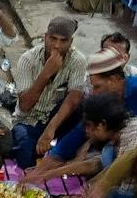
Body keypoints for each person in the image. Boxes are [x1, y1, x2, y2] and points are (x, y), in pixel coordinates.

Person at [46, 49, 137, 164]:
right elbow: (84, 128)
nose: (94, 92)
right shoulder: (109, 100)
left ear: (114, 80)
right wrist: (54, 156)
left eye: (97, 87)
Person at [9, 15, 87, 169]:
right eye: (53, 39)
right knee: (25, 155)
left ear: (71, 42)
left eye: (63, 41)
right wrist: (46, 74)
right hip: (28, 121)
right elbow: (24, 106)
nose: (56, 45)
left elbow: (74, 99)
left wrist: (50, 129)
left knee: (81, 106)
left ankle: (60, 153)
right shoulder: (28, 59)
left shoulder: (77, 60)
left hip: (57, 122)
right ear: (45, 38)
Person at [20, 92, 132, 187]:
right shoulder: (111, 139)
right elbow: (94, 164)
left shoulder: (128, 139)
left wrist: (85, 194)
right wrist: (46, 175)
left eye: (88, 127)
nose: (87, 133)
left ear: (102, 125)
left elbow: (111, 175)